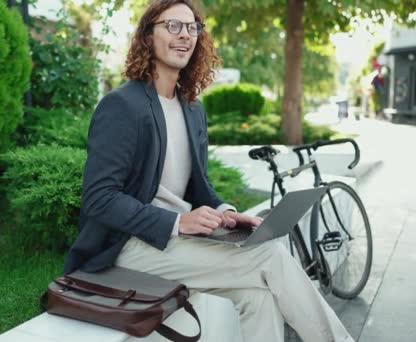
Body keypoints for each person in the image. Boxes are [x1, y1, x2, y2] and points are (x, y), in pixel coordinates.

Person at [63, 1, 354, 341]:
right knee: (270, 256)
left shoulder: (191, 109)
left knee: (257, 297)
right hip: (129, 245)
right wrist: (176, 222)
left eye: (192, 27)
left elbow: (198, 187)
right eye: (173, 26)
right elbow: (99, 198)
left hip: (181, 242)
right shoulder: (122, 105)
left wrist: (226, 212)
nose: (185, 35)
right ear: (147, 35)